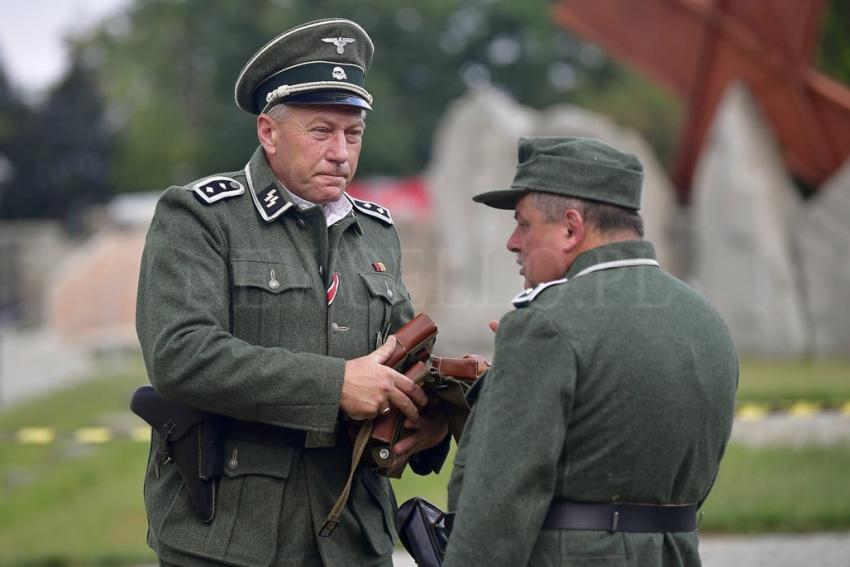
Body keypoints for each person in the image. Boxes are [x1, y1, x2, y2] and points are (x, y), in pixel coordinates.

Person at [135, 18, 449, 567]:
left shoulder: (376, 229)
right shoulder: (201, 216)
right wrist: (335, 386)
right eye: (321, 131)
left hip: (353, 530)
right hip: (233, 533)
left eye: (353, 134)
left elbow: (403, 356)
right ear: (268, 132)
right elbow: (179, 354)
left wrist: (430, 424)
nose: (341, 153)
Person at [441, 137, 738, 567]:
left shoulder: (544, 324)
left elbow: (499, 502)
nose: (512, 242)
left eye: (523, 224)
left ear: (570, 228)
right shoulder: (706, 320)